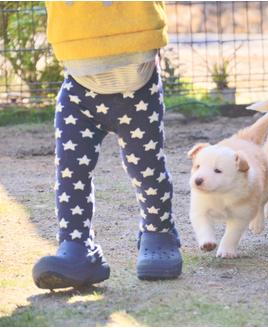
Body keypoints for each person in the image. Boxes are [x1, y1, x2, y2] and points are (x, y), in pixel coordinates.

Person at [32, 1, 182, 289]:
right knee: (70, 171)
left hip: (138, 87)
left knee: (147, 166)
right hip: (79, 89)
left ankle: (158, 231)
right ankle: (76, 245)